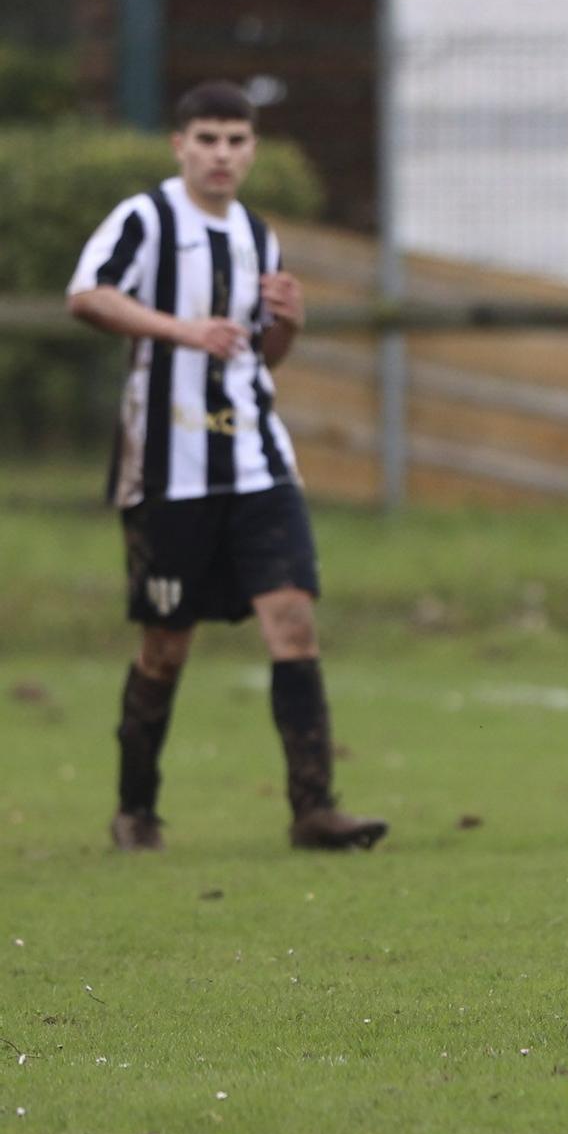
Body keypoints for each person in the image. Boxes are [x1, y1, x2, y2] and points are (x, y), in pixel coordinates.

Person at [66, 80, 388, 853]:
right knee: (166, 641)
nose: (221, 154)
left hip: (256, 459)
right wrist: (180, 329)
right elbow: (87, 296)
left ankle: (314, 807)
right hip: (170, 468)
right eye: (206, 139)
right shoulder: (146, 218)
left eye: (236, 141)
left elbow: (261, 355)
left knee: (293, 620)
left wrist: (288, 323)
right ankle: (135, 809)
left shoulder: (256, 234)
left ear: (251, 150)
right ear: (181, 145)